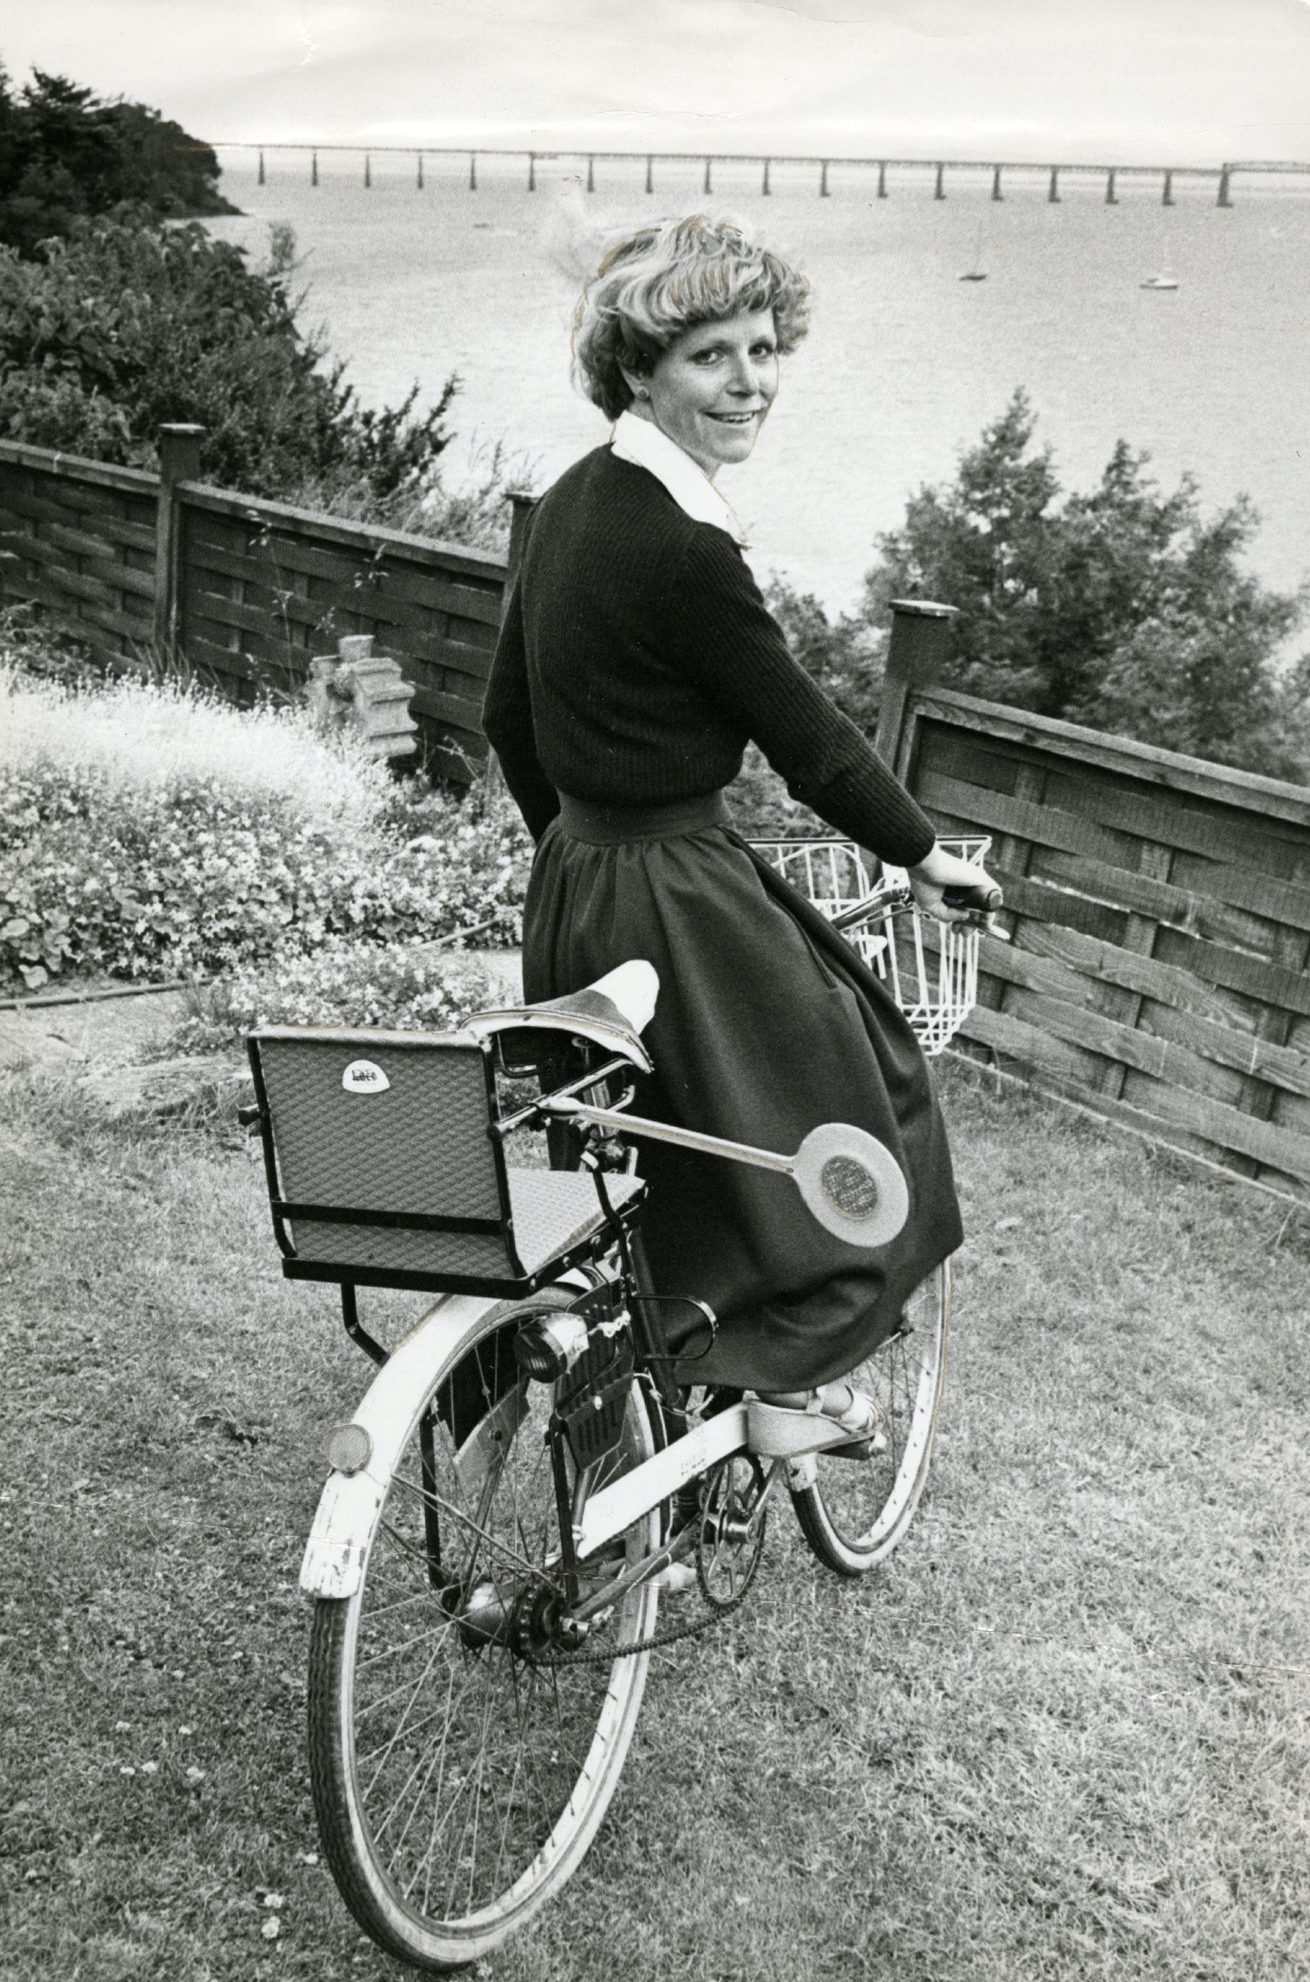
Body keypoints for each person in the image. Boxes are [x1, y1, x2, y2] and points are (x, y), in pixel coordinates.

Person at [482, 214, 998, 1437]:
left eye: (763, 349)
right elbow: (808, 737)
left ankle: (680, 1365)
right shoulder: (686, 543)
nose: (750, 379)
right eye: (712, 354)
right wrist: (927, 857)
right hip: (672, 887)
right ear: (642, 368)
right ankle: (782, 1382)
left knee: (670, 1143)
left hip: (578, 878)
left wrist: (581, 850)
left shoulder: (567, 499)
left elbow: (508, 715)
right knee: (871, 1081)